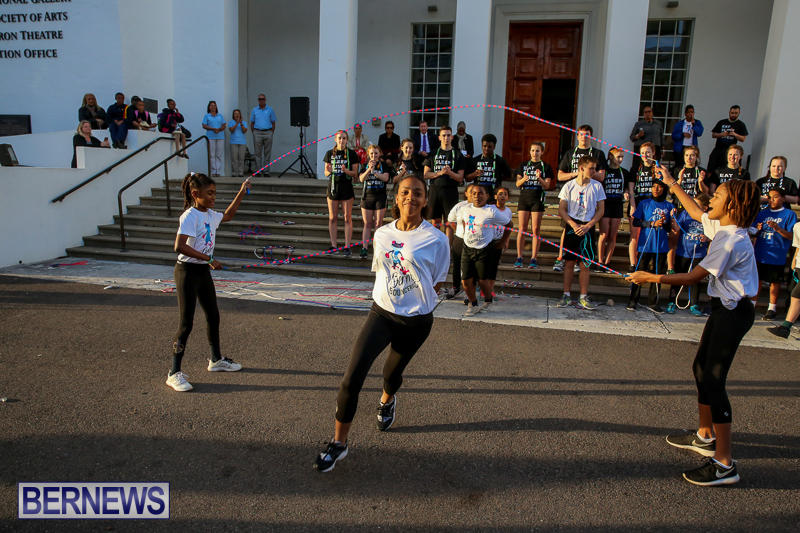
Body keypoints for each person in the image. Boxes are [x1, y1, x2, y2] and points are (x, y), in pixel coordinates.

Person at [629, 170, 761, 486]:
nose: (710, 198)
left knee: (714, 379)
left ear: (732, 206)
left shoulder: (730, 241)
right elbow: (695, 212)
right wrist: (672, 183)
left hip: (734, 313)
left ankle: (725, 464)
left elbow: (691, 278)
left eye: (718, 196)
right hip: (725, 309)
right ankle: (705, 435)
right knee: (701, 369)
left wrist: (650, 278)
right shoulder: (726, 227)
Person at [313, 174, 449, 472]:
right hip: (382, 313)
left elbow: (436, 282)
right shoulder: (382, 234)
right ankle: (339, 444)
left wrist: (413, 299)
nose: (410, 197)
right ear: (396, 197)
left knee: (391, 374)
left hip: (416, 321)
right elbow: (382, 270)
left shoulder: (437, 239)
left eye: (417, 193)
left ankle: (387, 400)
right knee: (351, 379)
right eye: (405, 192)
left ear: (425, 200)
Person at [166, 172, 251, 392]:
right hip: (186, 272)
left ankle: (216, 359)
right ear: (196, 194)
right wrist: (209, 259)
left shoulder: (211, 215)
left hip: (203, 271)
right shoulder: (190, 216)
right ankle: (174, 373)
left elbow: (228, 215)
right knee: (186, 323)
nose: (213, 197)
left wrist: (241, 192)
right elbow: (179, 246)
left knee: (213, 315)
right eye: (209, 193)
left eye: (214, 193)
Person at [556, 156, 606, 310]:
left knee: (585, 264)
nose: (594, 171)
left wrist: (589, 225)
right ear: (581, 168)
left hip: (588, 227)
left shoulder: (597, 186)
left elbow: (601, 210)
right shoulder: (569, 186)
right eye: (591, 168)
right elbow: (562, 209)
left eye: (595, 168)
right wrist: (572, 224)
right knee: (569, 262)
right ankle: (566, 295)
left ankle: (583, 296)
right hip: (572, 226)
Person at [554, 125, 606, 272]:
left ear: (591, 136)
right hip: (572, 194)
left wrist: (588, 173)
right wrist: (577, 174)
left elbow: (601, 176)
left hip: (589, 193)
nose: (584, 137)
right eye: (581, 134)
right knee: (566, 229)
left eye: (587, 134)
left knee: (586, 236)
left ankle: (580, 261)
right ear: (577, 136)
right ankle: (561, 258)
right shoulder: (570, 153)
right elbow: (560, 176)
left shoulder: (598, 153)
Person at [457, 184, 513, 316]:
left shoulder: (491, 211)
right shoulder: (465, 209)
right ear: (470, 196)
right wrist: (466, 234)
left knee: (483, 281)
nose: (477, 196)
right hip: (467, 248)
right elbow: (464, 222)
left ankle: (488, 300)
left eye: (480, 193)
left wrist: (502, 242)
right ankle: (473, 303)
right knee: (465, 280)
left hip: (484, 249)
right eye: (474, 193)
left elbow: (509, 225)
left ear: (487, 196)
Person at [626, 181, 673, 313]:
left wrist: (664, 222)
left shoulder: (669, 206)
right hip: (645, 244)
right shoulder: (644, 203)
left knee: (658, 274)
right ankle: (633, 300)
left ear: (664, 189)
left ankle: (653, 302)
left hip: (661, 245)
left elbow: (669, 228)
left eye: (659, 187)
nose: (656, 189)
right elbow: (636, 222)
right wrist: (651, 223)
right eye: (653, 186)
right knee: (640, 272)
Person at [750, 189, 797, 320]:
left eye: (775, 197)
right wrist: (757, 229)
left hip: (777, 254)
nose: (772, 200)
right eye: (769, 197)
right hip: (760, 252)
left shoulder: (789, 214)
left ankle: (772, 308)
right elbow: (752, 230)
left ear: (783, 198)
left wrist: (778, 228)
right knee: (757, 280)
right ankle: (752, 305)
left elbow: (792, 236)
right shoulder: (762, 213)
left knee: (774, 281)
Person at [667, 194, 711, 315]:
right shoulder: (685, 214)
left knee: (695, 279)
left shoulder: (708, 218)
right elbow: (677, 228)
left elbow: (714, 234)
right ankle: (672, 301)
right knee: (678, 277)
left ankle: (694, 303)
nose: (693, 206)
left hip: (699, 254)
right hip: (683, 252)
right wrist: (673, 218)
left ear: (705, 208)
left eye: (697, 204)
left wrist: (706, 238)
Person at [514, 142, 554, 269]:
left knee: (536, 229)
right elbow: (517, 184)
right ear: (529, 152)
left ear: (542, 152)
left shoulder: (546, 166)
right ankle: (519, 257)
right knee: (522, 228)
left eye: (537, 151)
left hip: (537, 199)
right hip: (524, 198)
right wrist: (524, 179)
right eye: (532, 150)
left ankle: (533, 259)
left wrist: (539, 178)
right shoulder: (523, 165)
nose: (535, 153)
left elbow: (547, 186)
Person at [323, 130, 360, 255]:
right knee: (332, 217)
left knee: (347, 217)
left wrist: (346, 171)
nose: (341, 140)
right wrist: (330, 171)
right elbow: (326, 172)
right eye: (339, 138)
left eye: (344, 138)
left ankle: (347, 246)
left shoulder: (351, 154)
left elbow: (355, 174)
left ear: (347, 140)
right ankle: (333, 245)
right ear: (335, 139)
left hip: (346, 187)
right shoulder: (330, 153)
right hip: (333, 187)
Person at [423, 126, 465, 233]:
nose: (446, 138)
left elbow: (460, 178)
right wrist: (439, 173)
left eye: (448, 135)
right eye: (444, 135)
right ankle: (436, 242)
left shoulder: (458, 154)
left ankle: (448, 243)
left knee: (450, 221)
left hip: (450, 191)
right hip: (435, 190)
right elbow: (426, 174)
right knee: (435, 221)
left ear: (452, 137)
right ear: (439, 137)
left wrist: (449, 173)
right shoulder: (432, 153)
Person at [359, 144, 395, 259]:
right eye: (371, 153)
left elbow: (386, 178)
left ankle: (377, 248)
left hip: (380, 197)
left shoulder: (384, 165)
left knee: (378, 224)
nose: (374, 155)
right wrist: (369, 169)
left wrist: (374, 172)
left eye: (376, 153)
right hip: (367, 197)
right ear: (368, 154)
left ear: (379, 154)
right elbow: (361, 179)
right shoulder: (365, 165)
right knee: (367, 224)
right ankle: (364, 248)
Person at [627, 142, 658, 271]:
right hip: (637, 204)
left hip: (651, 206)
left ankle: (646, 264)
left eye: (648, 152)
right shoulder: (635, 168)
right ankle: (633, 264)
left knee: (649, 235)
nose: (645, 155)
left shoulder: (657, 168)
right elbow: (631, 189)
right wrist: (632, 205)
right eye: (643, 153)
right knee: (635, 235)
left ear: (653, 153)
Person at [767, 221, 800, 338]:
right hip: (799, 265)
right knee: (796, 295)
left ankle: (785, 327)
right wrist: (794, 261)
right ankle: (785, 328)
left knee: (796, 295)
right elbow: (798, 246)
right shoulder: (798, 226)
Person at [598, 147, 628, 270]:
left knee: (613, 235)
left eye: (622, 157)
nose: (620, 159)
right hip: (605, 204)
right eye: (618, 157)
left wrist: (626, 193)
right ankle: (600, 261)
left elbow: (627, 187)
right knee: (603, 234)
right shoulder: (604, 171)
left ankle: (607, 262)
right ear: (610, 156)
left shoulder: (624, 172)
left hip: (617, 204)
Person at [446, 185, 474, 299]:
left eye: (476, 192)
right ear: (466, 193)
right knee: (457, 265)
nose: (473, 194)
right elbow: (450, 220)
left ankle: (470, 292)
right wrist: (458, 231)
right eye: (471, 192)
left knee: (471, 266)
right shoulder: (460, 206)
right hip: (460, 239)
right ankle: (456, 287)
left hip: (474, 241)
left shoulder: (482, 207)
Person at [465, 133, 511, 202]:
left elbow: (508, 175)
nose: (486, 149)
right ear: (482, 145)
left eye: (489, 147)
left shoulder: (500, 160)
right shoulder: (475, 160)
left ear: (494, 147)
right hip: (478, 196)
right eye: (484, 146)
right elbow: (467, 178)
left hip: (494, 196)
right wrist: (474, 174)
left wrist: (496, 177)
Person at [487, 186, 514, 297]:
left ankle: (490, 289)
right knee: (486, 265)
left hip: (499, 241)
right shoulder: (490, 208)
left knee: (494, 266)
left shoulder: (508, 211)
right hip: (488, 240)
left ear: (508, 197)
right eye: (500, 194)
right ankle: (483, 287)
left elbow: (508, 227)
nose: (502, 196)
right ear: (495, 196)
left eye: (505, 194)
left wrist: (506, 241)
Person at [707, 105, 748, 174]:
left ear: (739, 113)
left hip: (730, 151)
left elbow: (743, 139)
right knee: (711, 168)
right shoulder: (722, 122)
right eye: (732, 113)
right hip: (718, 149)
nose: (733, 115)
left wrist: (734, 134)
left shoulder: (741, 124)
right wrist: (722, 134)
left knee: (725, 170)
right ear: (729, 112)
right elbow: (713, 135)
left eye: (736, 113)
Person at [628, 105, 662, 174]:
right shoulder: (638, 124)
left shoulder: (658, 124)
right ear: (643, 114)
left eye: (649, 112)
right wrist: (638, 135)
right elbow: (632, 137)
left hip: (655, 148)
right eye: (645, 112)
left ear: (652, 113)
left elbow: (661, 136)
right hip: (641, 149)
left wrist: (663, 148)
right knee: (638, 166)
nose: (647, 114)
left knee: (655, 166)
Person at [250, 93, 277, 176]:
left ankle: (266, 171)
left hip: (268, 132)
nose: (261, 100)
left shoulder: (270, 110)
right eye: (259, 99)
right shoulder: (254, 110)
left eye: (262, 99)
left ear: (265, 100)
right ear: (258, 100)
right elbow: (252, 122)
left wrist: (271, 132)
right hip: (257, 132)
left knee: (267, 153)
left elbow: (273, 122)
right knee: (257, 153)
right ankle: (258, 171)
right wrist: (254, 132)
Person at [202, 101, 226, 177]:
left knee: (219, 154)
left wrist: (219, 129)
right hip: (210, 137)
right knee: (212, 154)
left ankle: (218, 171)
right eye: (211, 105)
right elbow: (204, 125)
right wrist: (213, 129)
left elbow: (224, 125)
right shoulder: (207, 116)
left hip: (220, 137)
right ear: (209, 107)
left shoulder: (220, 115)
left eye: (214, 105)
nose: (213, 107)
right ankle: (213, 171)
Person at [228, 109, 248, 177]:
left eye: (238, 113)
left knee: (241, 158)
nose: (237, 115)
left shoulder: (244, 122)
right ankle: (234, 172)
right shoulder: (231, 122)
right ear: (233, 115)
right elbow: (231, 130)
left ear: (240, 114)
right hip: (233, 142)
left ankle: (240, 172)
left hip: (242, 142)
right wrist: (236, 123)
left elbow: (244, 131)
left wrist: (241, 124)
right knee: (234, 158)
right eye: (235, 113)